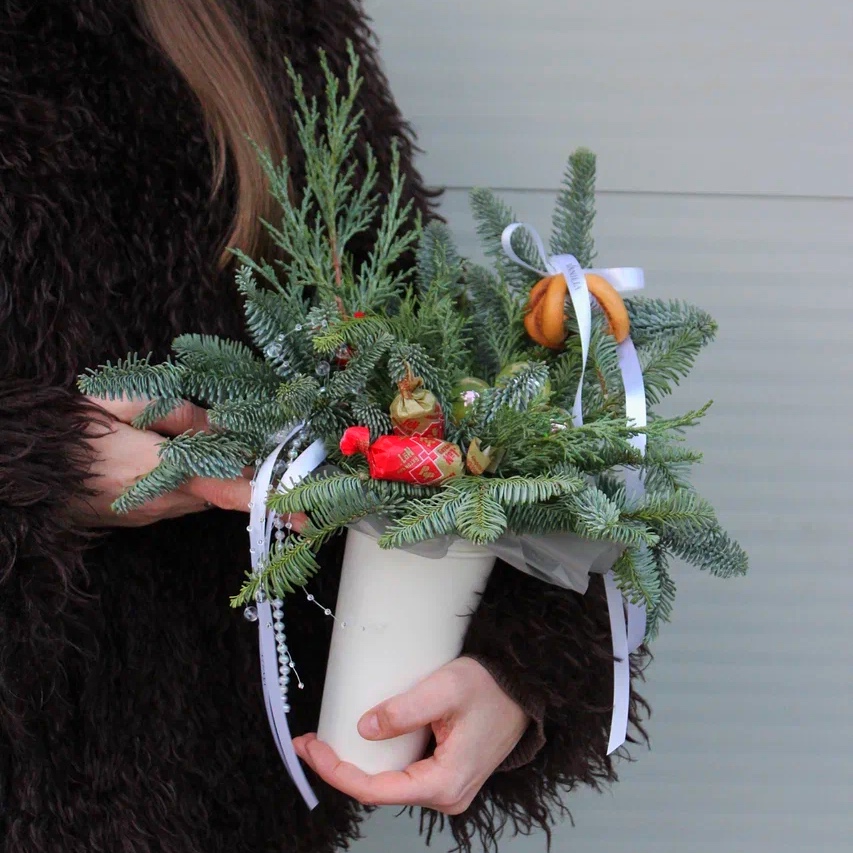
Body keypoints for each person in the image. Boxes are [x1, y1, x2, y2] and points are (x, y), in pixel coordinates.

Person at [0, 2, 648, 851]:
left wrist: (515, 659)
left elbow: (424, 373)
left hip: (228, 795)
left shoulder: (273, 22)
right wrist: (37, 463)